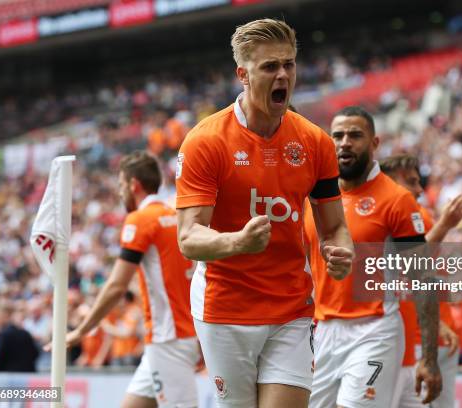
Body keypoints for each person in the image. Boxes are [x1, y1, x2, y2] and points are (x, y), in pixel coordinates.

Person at [175, 19, 354, 408]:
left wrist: (341, 251)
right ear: (243, 74)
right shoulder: (206, 141)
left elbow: (336, 226)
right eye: (270, 66)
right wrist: (237, 242)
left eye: (289, 64)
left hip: (291, 308)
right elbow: (189, 237)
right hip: (225, 310)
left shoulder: (315, 142)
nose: (283, 75)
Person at [305, 107, 441, 408]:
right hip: (322, 330)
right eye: (337, 136)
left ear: (374, 143)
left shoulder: (396, 200)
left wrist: (429, 359)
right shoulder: (313, 199)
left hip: (375, 330)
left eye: (355, 135)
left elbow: (423, 279)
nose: (344, 143)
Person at [60, 151, 200, 408]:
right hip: (182, 331)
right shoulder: (173, 214)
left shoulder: (141, 219)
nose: (119, 192)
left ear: (133, 185)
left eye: (121, 185)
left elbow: (116, 285)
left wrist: (82, 330)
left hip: (167, 337)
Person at [380, 154, 462, 408]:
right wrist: (444, 225)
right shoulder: (407, 216)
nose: (419, 189)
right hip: (407, 336)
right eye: (411, 181)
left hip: (418, 335)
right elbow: (412, 263)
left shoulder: (417, 216)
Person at [0, 304, 39, 372]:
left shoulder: (4, 335)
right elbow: (35, 353)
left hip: (8, 375)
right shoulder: (25, 333)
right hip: (27, 373)